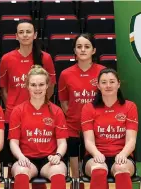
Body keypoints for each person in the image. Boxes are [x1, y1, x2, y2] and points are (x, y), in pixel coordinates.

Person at [0, 19, 56, 189]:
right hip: (13, 116)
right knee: (15, 165)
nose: (25, 35)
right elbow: (4, 89)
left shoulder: (45, 58)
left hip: (40, 114)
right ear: (16, 36)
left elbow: (51, 86)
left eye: (28, 32)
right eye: (21, 32)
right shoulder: (7, 59)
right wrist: (15, 106)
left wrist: (40, 103)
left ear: (35, 35)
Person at [58, 33, 105, 188]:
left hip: (96, 125)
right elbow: (64, 101)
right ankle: (77, 184)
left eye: (87, 46)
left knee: (94, 162)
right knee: (73, 157)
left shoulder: (102, 72)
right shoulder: (66, 74)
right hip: (72, 124)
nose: (83, 50)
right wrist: (74, 115)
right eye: (79, 47)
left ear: (94, 50)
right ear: (74, 51)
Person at [9, 65, 68, 189]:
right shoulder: (18, 111)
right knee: (21, 172)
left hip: (49, 159)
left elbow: (62, 142)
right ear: (27, 86)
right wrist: (20, 157)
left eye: (41, 84)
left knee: (58, 172)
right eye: (33, 85)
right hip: (26, 158)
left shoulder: (56, 111)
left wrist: (58, 156)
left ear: (47, 86)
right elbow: (13, 142)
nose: (37, 88)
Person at [81, 68, 138, 189]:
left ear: (118, 84)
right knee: (99, 168)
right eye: (104, 82)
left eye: (112, 82)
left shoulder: (130, 107)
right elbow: (88, 141)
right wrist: (96, 154)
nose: (108, 85)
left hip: (123, 156)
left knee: (121, 168)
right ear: (98, 85)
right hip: (95, 156)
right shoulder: (88, 108)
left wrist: (123, 154)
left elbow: (131, 141)